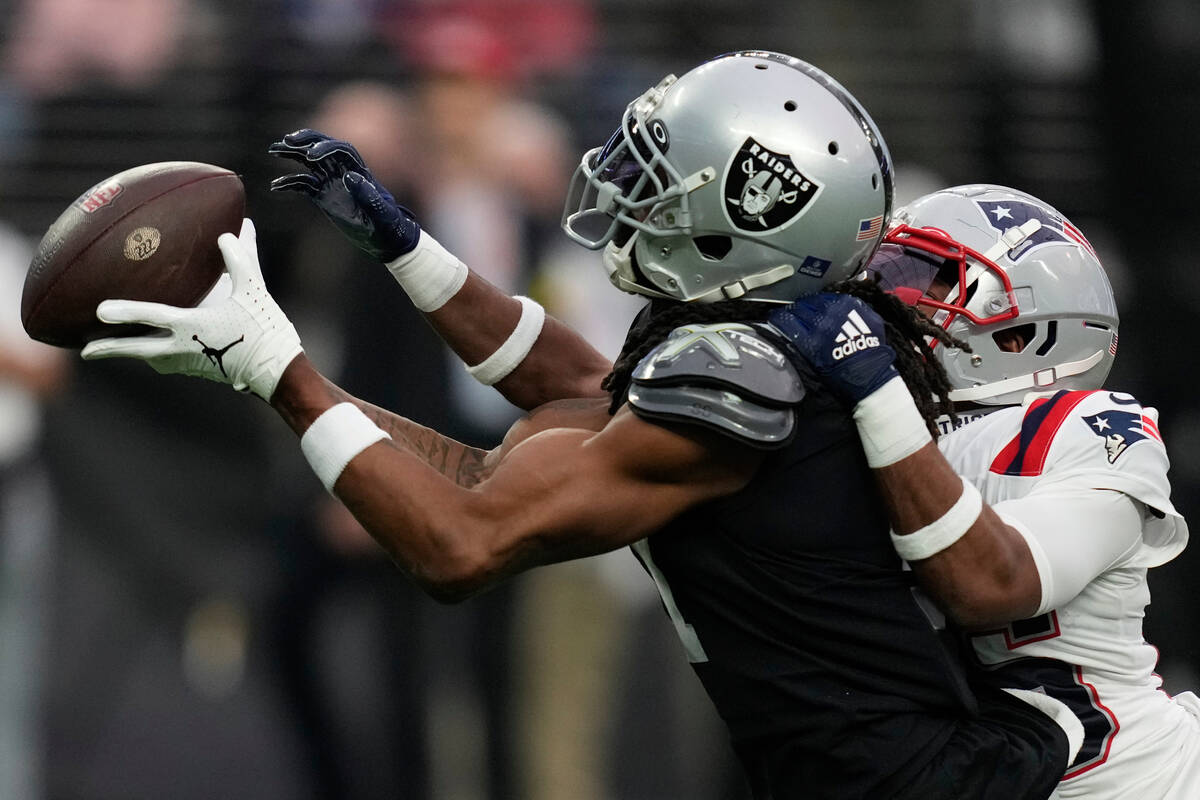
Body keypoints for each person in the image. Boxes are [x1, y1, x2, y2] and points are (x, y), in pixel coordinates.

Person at [79, 52, 1075, 798]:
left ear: (754, 212)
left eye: (661, 175)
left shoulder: (744, 385)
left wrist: (276, 369)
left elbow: (463, 538)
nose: (628, 189)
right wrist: (403, 247)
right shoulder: (751, 336)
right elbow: (571, 389)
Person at [768, 184, 1198, 798]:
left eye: (935, 280)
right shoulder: (874, 419)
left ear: (1022, 333)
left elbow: (993, 584)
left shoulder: (1083, 428)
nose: (892, 301)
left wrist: (874, 391)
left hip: (1140, 782)